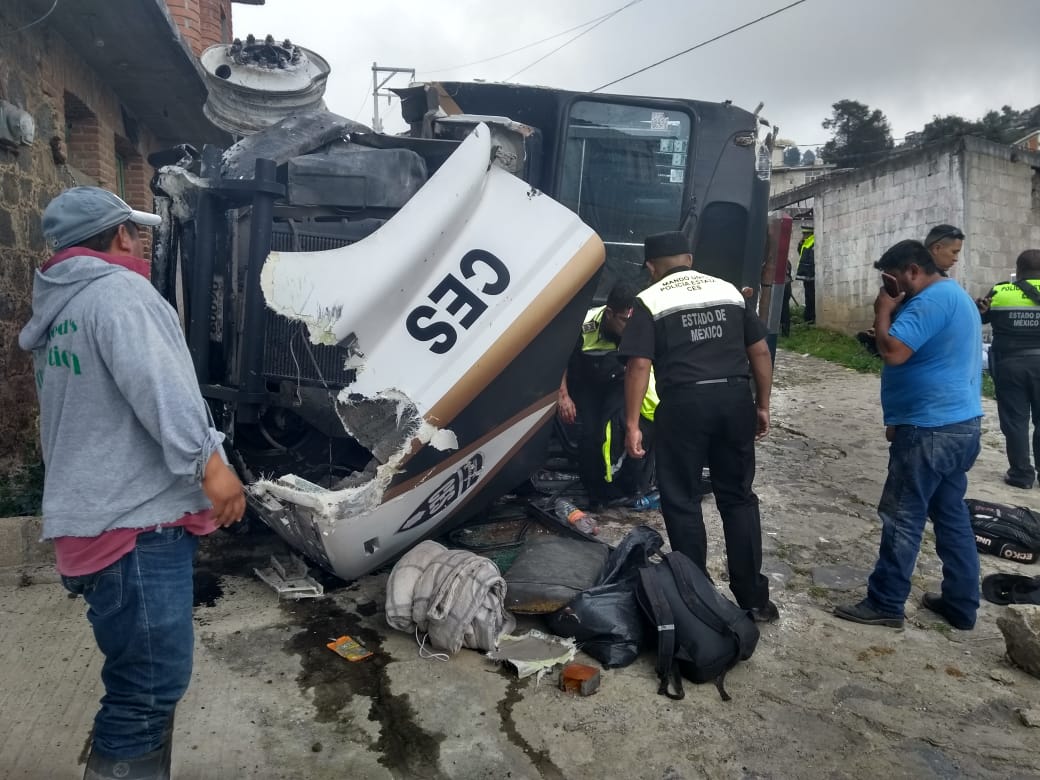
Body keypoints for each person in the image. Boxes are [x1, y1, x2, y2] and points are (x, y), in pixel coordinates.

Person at [18, 186, 246, 779]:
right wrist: (212, 466)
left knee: (140, 684)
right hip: (135, 527)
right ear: (121, 235)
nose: (140, 239)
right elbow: (163, 390)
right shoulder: (121, 294)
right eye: (134, 230)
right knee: (147, 691)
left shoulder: (60, 311)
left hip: (93, 520)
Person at [618, 231, 778, 622]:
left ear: (651, 267)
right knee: (738, 498)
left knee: (682, 499)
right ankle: (753, 600)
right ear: (689, 258)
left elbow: (639, 365)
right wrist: (762, 404)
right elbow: (758, 349)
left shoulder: (651, 299)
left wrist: (632, 423)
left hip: (685, 404)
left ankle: (699, 596)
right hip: (734, 398)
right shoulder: (728, 291)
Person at [835, 239, 983, 631]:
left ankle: (885, 601)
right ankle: (961, 603)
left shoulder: (930, 301)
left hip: (930, 429)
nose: (890, 287)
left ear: (913, 270)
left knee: (902, 515)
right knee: (950, 514)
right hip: (959, 425)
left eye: (893, 278)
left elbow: (894, 351)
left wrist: (883, 311)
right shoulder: (955, 296)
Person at [557, 281, 657, 507]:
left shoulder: (639, 328)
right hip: (587, 386)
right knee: (589, 436)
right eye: (624, 321)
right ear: (610, 313)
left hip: (620, 385)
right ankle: (596, 493)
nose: (630, 328)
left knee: (619, 428)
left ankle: (627, 487)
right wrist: (563, 396)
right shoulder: (584, 325)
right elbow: (559, 360)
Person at [977, 249, 1040, 488]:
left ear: (1019, 270)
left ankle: (1021, 475)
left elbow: (981, 318)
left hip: (1010, 365)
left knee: (1015, 421)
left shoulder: (1000, 292)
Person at [795, 225, 816, 324]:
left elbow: (811, 259)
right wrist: (800, 244)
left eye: (805, 234)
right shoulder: (806, 243)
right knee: (808, 297)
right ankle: (808, 318)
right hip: (806, 276)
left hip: (811, 276)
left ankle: (811, 318)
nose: (803, 236)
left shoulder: (813, 242)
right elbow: (801, 254)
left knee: (811, 297)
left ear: (809, 234)